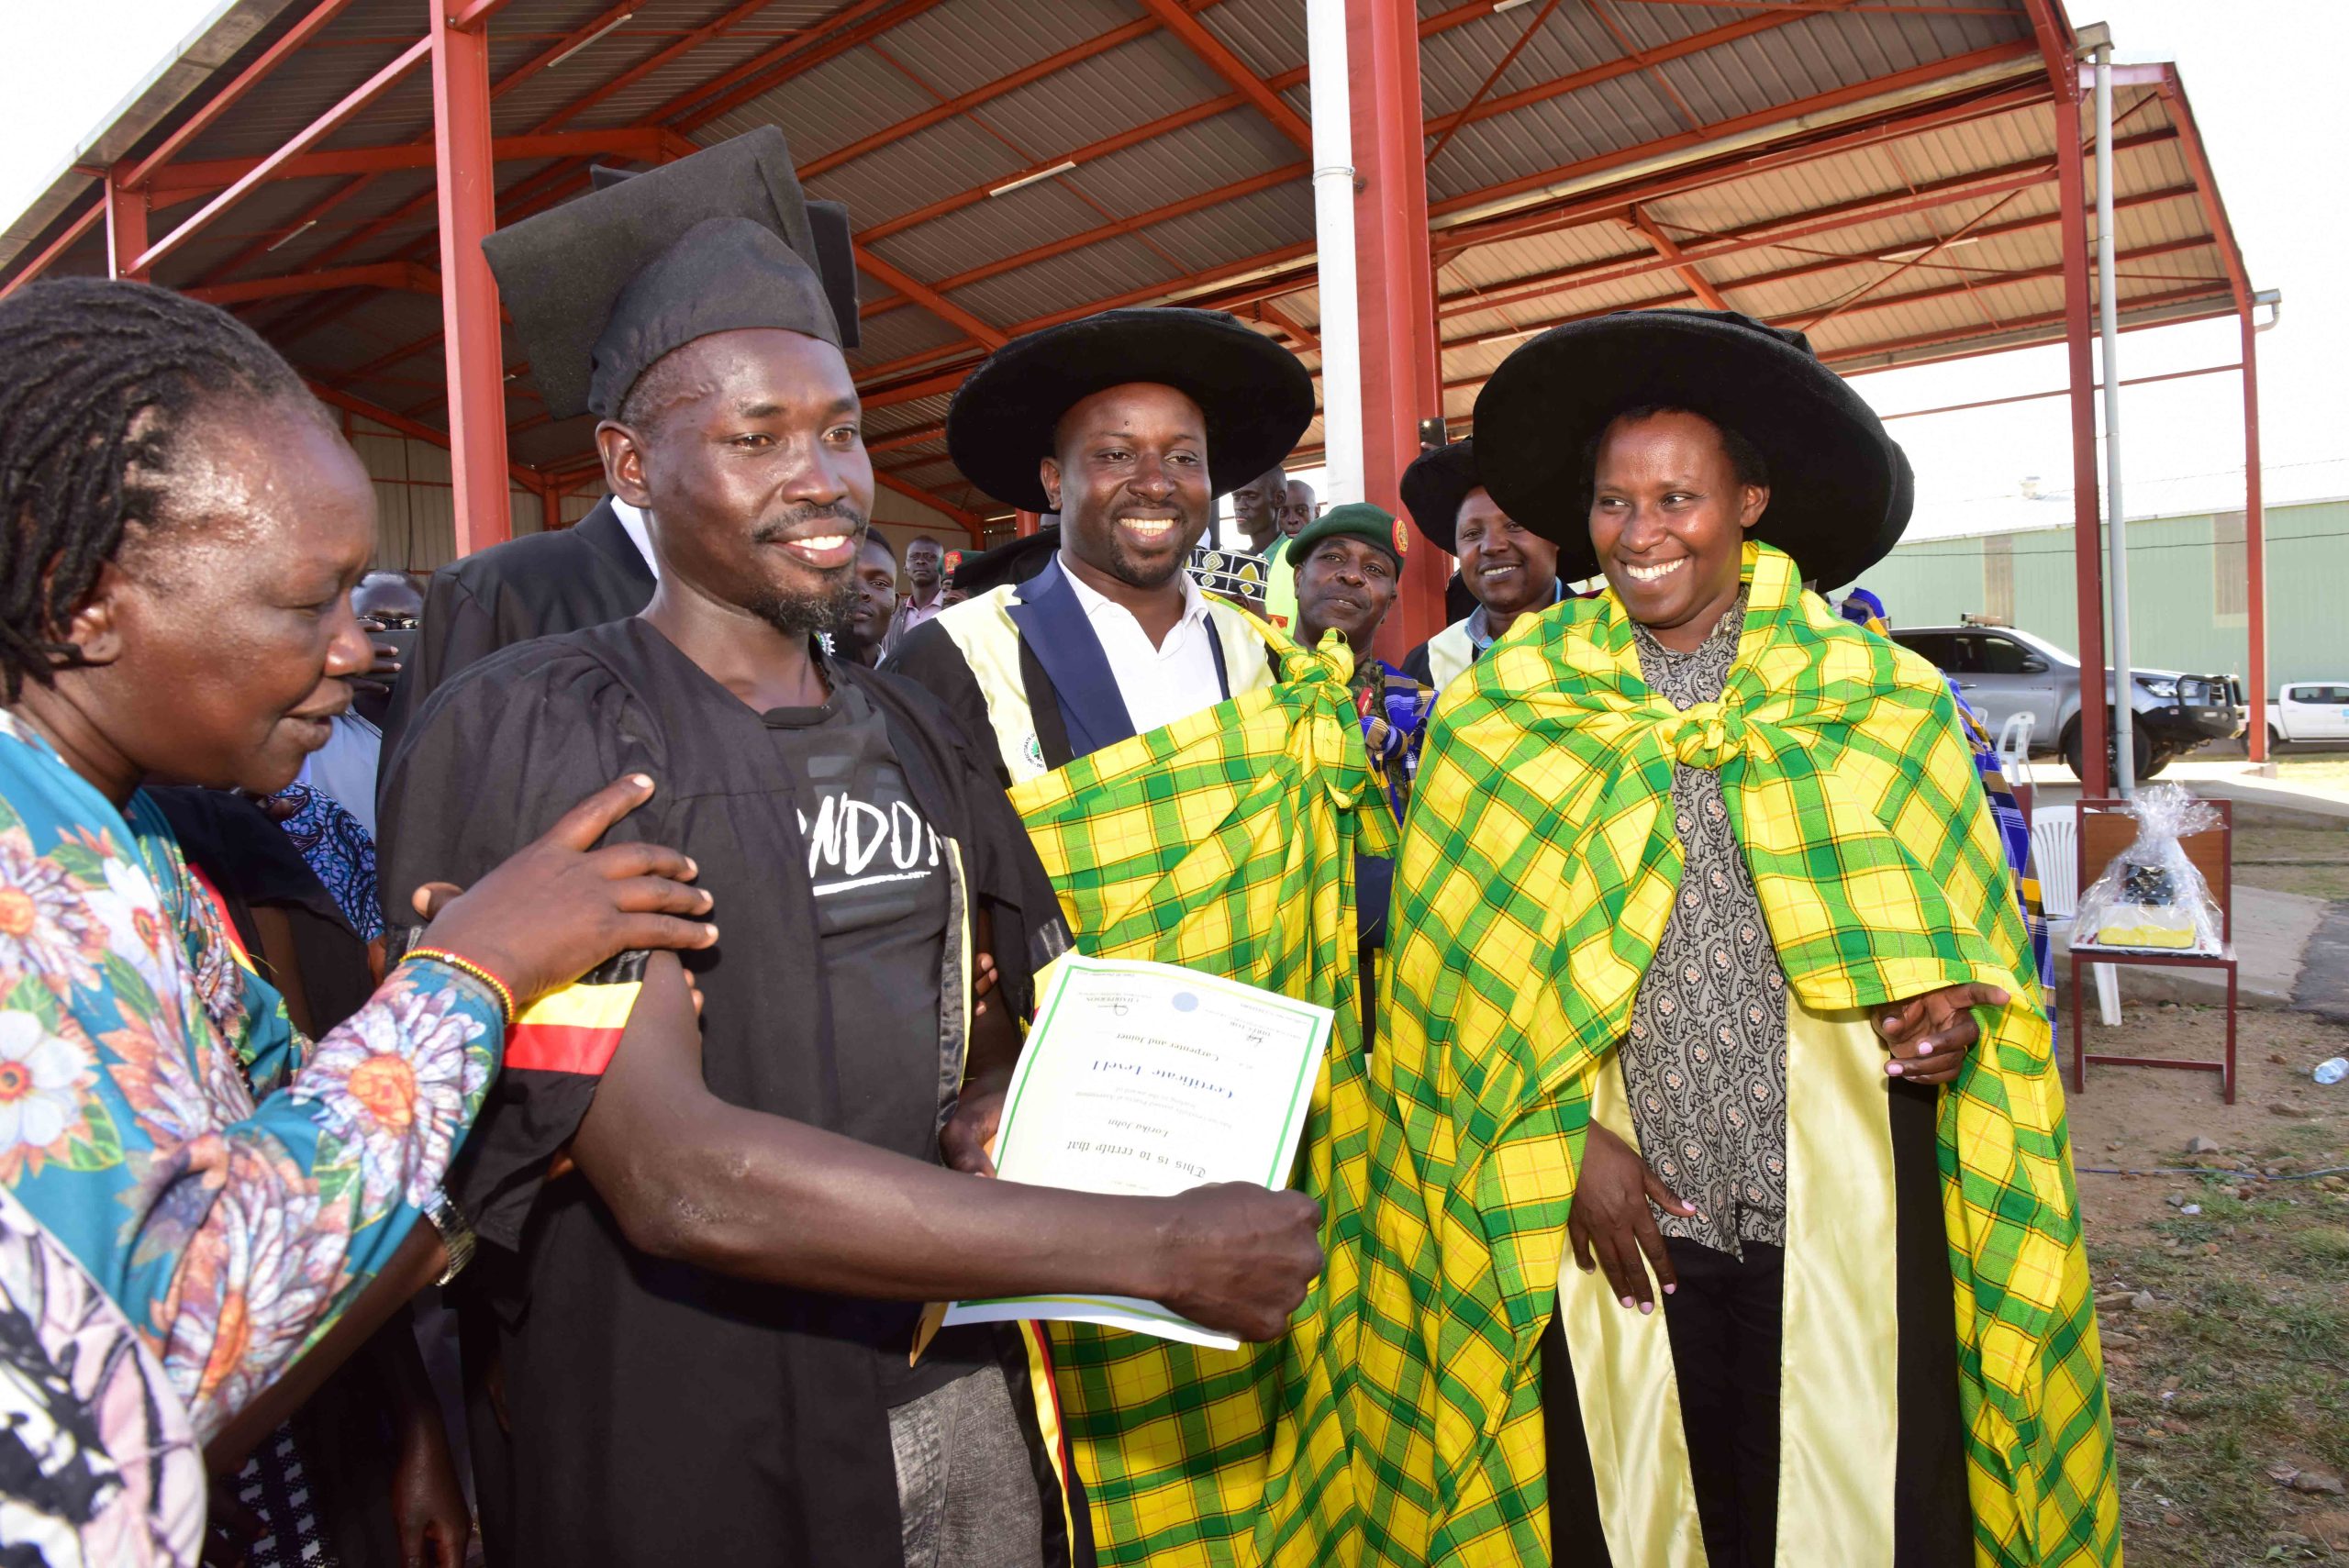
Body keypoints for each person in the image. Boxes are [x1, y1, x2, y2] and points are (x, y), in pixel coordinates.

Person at [377, 130, 1322, 1568]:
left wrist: (992, 1090)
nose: (820, 478)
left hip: (949, 1388)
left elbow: (998, 1000)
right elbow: (676, 1176)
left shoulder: (912, 726)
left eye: (840, 431)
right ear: (631, 463)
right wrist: (1149, 1248)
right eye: (756, 437)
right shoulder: (548, 729)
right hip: (686, 1419)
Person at [1349, 308, 2119, 1565]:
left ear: (1748, 503)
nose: (1640, 532)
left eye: (1677, 498)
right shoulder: (1507, 712)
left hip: (1839, 1193)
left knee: (1844, 1501)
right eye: (1612, 502)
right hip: (1615, 1209)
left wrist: (1947, 1021)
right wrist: (1564, 1141)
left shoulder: (1878, 699)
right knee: (1630, 1511)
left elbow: (1965, 948)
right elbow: (1448, 991)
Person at [0, 276, 715, 1566]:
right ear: (78, 598)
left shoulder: (132, 830)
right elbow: (142, 1365)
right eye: (305, 603)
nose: (353, 649)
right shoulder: (20, 866)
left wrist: (513, 1068)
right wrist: (472, 973)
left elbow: (293, 1131)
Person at [885, 306, 1311, 786]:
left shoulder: (1263, 656)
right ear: (1055, 482)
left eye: (1183, 457)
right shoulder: (955, 659)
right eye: (1117, 454)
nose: (1155, 483)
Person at [1285, 502, 1435, 1051]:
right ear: (1297, 577)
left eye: (1374, 570)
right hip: (1263, 958)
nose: (1352, 575)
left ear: (1390, 601)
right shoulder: (1243, 681)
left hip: (1383, 977)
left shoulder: (1420, 709)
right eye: (1333, 559)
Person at [1396, 438, 1565, 692]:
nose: (1491, 546)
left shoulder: (1611, 635)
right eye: (1472, 533)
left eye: (1514, 525)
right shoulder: (1429, 666)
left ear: (1553, 535)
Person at [835, 531, 900, 668]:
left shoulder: (907, 680)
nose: (860, 592)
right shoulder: (792, 677)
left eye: (879, 583)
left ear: (895, 604)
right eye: (845, 579)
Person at [884, 534, 947, 651]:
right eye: (914, 557)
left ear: (943, 567)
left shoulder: (954, 608)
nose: (921, 561)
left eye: (930, 557)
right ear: (905, 567)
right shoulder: (894, 615)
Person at [1225, 464, 1288, 554]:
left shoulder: (1299, 556)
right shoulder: (1238, 558)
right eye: (1236, 498)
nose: (1239, 506)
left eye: (1251, 497)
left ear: (1279, 499)